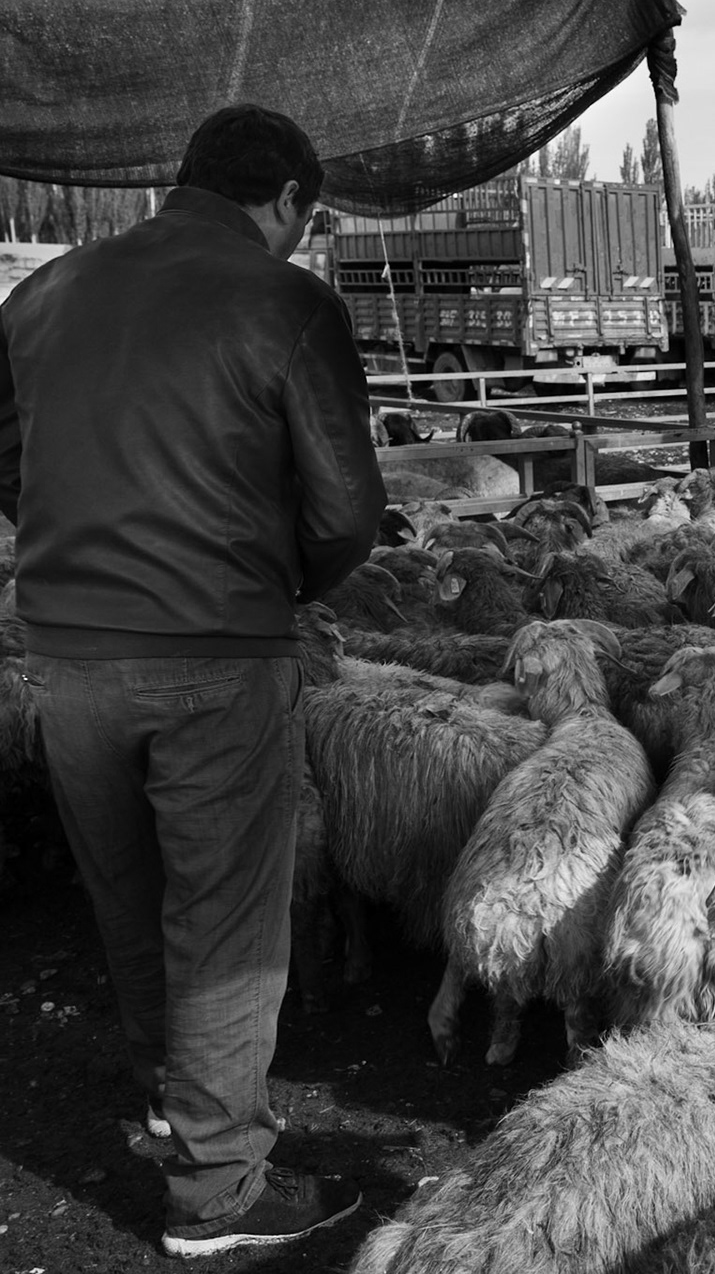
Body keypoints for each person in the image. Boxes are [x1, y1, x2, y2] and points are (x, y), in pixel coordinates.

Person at [0, 105, 383, 1257]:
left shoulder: (45, 293)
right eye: (304, 220)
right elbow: (348, 510)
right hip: (216, 650)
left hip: (65, 657)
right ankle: (215, 1190)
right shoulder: (287, 303)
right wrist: (280, 579)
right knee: (223, 918)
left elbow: (1, 450)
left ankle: (173, 1101)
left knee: (130, 892)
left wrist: (65, 535)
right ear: (287, 203)